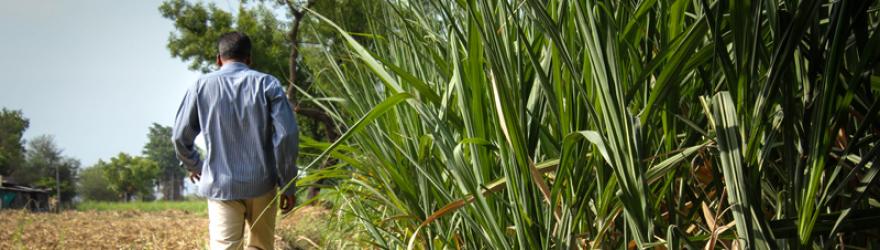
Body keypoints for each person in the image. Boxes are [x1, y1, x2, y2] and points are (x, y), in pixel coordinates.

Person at [172, 31, 299, 250]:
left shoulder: (200, 86)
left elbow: (179, 137)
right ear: (249, 59)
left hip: (222, 186)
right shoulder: (268, 84)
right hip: (263, 184)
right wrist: (287, 182)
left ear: (218, 59)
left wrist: (195, 165)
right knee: (261, 246)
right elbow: (286, 136)